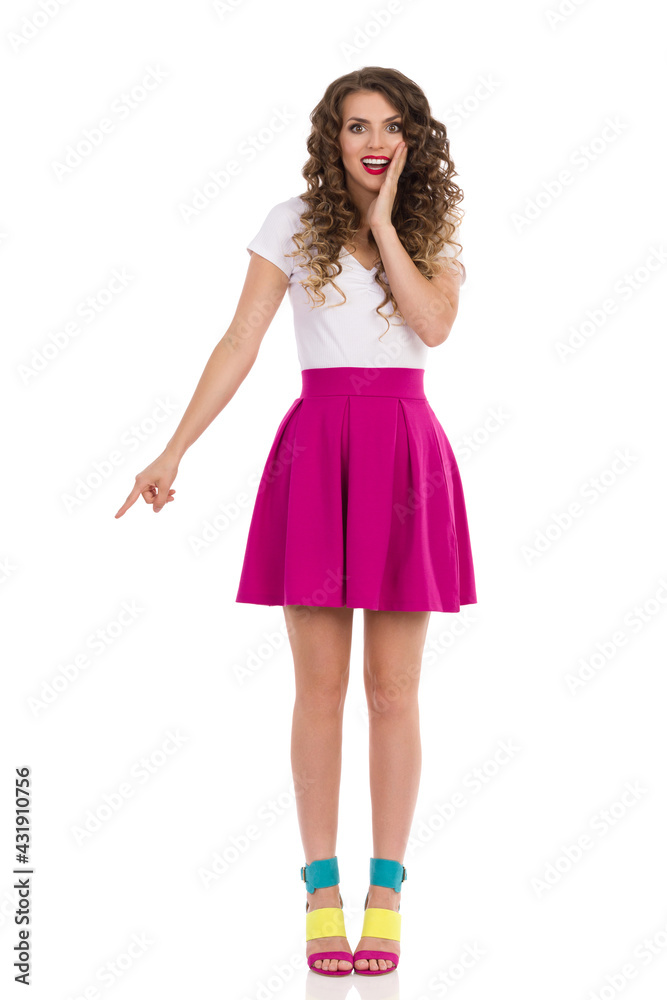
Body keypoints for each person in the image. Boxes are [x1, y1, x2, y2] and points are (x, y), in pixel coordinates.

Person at [115, 66, 477, 977]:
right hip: (317, 451)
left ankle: (384, 889)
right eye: (356, 127)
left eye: (389, 127)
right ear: (333, 136)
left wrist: (389, 226)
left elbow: (431, 326)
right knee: (317, 688)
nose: (372, 142)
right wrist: (174, 450)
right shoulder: (289, 220)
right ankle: (321, 886)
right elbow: (239, 340)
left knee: (393, 691)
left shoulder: (432, 229)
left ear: (412, 137)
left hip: (403, 453)